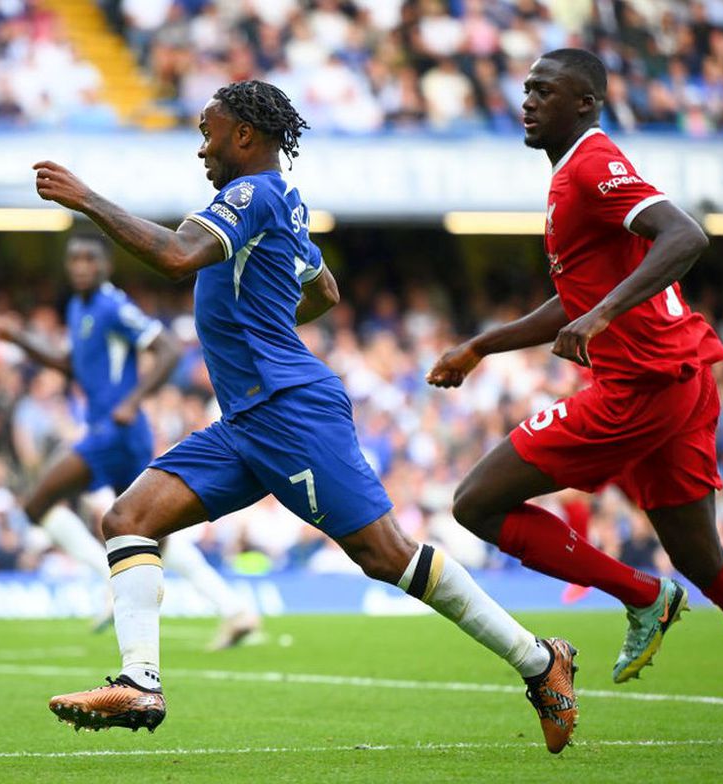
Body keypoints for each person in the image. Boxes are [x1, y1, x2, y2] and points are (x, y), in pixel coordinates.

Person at [33, 80, 578, 754]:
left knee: (386, 556)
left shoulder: (251, 194)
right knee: (127, 520)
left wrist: (87, 199)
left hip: (291, 412)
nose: (201, 148)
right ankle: (140, 681)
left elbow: (176, 256)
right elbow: (324, 290)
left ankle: (539, 660)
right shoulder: (282, 200)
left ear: (243, 135)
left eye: (207, 131)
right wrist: (266, 324)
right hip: (246, 420)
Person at [426, 48, 723, 740]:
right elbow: (577, 298)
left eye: (545, 90)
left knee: (475, 503)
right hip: (682, 379)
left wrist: (602, 316)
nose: (528, 100)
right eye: (527, 89)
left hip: (640, 388)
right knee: (702, 558)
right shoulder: (570, 176)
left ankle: (642, 596)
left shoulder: (592, 165)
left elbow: (685, 234)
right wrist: (483, 346)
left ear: (586, 103)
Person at [0, 236, 261, 650]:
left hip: (116, 434)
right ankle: (234, 609)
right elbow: (71, 365)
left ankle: (109, 581)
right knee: (147, 533)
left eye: (90, 258)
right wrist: (20, 338)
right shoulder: (78, 307)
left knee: (37, 503)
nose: (81, 266)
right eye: (75, 259)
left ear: (106, 266)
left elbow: (168, 349)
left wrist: (133, 402)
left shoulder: (112, 306)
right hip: (111, 432)